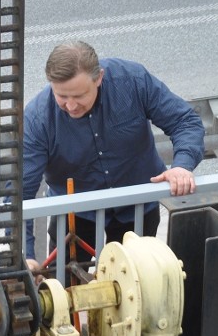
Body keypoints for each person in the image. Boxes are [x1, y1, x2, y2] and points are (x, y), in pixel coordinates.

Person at [22, 41, 205, 271]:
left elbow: (184, 121)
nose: (70, 106)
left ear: (99, 77)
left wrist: (182, 165)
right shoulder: (38, 118)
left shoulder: (133, 81)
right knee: (64, 291)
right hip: (74, 216)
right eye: (61, 96)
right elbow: (21, 192)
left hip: (137, 206)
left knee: (137, 286)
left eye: (79, 95)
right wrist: (25, 257)